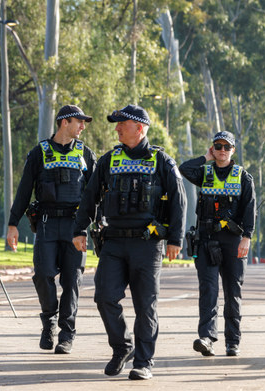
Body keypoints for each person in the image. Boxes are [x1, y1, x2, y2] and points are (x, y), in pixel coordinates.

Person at [72, 104, 186, 381]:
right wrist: (79, 230)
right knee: (104, 297)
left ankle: (144, 361)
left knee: (145, 305)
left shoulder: (162, 161)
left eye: (122, 123)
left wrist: (176, 238)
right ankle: (122, 346)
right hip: (113, 243)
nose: (117, 128)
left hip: (148, 245)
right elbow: (90, 198)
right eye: (117, 123)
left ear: (140, 127)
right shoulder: (109, 160)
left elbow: (179, 201)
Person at [6, 105, 97, 354]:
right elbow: (24, 190)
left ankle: (66, 335)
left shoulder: (85, 154)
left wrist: (99, 225)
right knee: (43, 275)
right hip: (46, 224)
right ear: (64, 122)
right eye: (79, 121)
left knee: (72, 281)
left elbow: (96, 194)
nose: (83, 126)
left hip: (75, 227)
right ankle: (49, 322)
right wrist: (13, 224)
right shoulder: (39, 153)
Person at [178, 131, 255, 357]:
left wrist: (247, 237)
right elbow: (184, 169)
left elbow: (250, 209)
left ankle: (233, 341)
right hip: (207, 240)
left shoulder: (243, 177)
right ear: (213, 148)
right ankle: (207, 338)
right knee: (208, 290)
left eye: (226, 147)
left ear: (233, 150)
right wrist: (205, 158)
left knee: (233, 292)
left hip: (233, 241)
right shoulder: (204, 172)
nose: (222, 151)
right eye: (217, 146)